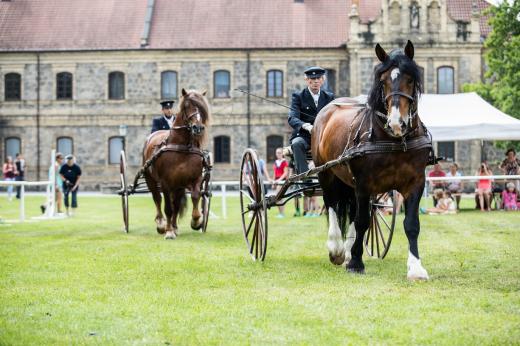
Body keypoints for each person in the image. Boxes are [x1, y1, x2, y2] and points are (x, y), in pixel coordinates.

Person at [288, 66, 334, 174]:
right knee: (296, 144)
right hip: (305, 136)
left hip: (324, 136)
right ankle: (304, 177)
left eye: (318, 78)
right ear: (307, 80)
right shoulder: (298, 96)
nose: (316, 81)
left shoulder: (329, 97)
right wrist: (306, 126)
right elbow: (292, 118)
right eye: (312, 79)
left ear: (322, 80)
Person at [272, 148, 288, 218]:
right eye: (277, 153)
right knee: (278, 198)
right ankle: (280, 213)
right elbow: (274, 173)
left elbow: (285, 173)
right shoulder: (275, 162)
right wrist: (273, 182)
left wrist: (279, 180)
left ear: (282, 154)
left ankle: (282, 213)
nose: (278, 154)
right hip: (277, 181)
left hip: (282, 181)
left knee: (279, 197)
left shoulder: (284, 162)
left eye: (279, 153)